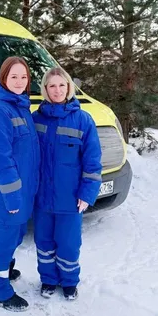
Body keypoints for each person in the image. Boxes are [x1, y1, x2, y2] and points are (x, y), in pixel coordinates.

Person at [32, 67, 102, 300]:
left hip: (70, 199)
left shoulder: (83, 120)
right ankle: (49, 280)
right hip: (42, 197)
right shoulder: (35, 118)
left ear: (69, 87)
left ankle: (70, 282)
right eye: (52, 85)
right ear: (45, 89)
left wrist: (87, 193)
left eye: (62, 85)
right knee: (44, 242)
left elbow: (92, 162)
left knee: (69, 245)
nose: (57, 90)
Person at [0, 56, 40, 312]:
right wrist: (13, 196)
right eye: (14, 76)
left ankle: (5, 268)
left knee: (15, 235)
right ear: (3, 78)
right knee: (5, 239)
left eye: (23, 77)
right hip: (9, 194)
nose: (19, 82)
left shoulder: (20, 106)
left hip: (23, 191)